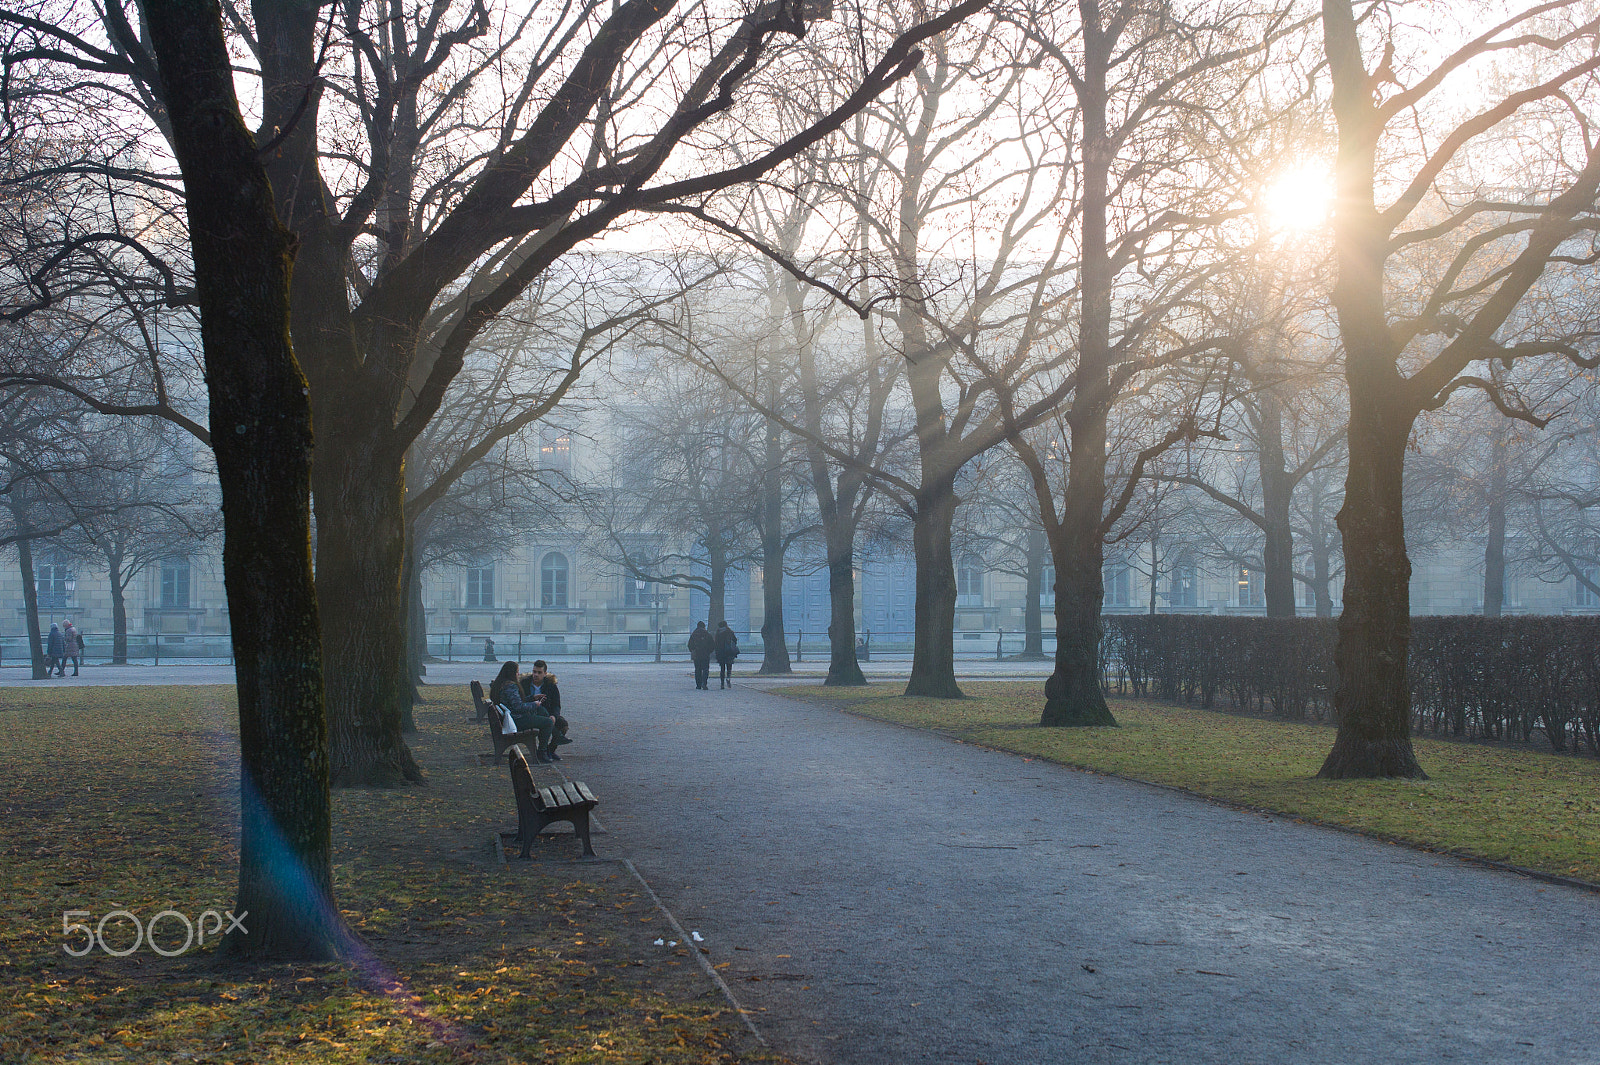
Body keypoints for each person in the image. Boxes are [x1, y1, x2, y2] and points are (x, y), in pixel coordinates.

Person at [488, 660, 555, 762]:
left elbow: (513, 703)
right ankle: (542, 751)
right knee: (548, 722)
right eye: (517, 672)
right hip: (516, 720)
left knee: (542, 712)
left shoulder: (501, 684)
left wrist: (532, 698)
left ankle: (544, 749)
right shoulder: (510, 686)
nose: (518, 674)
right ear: (512, 673)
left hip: (511, 717)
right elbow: (518, 707)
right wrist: (534, 704)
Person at [519, 660, 572, 756]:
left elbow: (556, 705)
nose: (535, 675)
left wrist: (554, 716)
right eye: (534, 671)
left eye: (539, 672)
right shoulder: (524, 683)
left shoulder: (551, 685)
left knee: (563, 725)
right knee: (546, 721)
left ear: (545, 674)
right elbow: (520, 701)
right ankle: (545, 749)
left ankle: (550, 750)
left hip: (547, 713)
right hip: (529, 714)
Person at [687, 621, 714, 690]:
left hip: (697, 654)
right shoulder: (707, 634)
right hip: (705, 654)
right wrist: (709, 651)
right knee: (705, 669)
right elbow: (712, 644)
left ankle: (698, 685)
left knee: (697, 669)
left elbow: (690, 645)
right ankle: (704, 683)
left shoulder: (694, 634)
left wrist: (693, 651)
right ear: (704, 626)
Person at [713, 620, 739, 689]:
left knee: (722, 668)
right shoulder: (730, 631)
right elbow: (735, 640)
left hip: (721, 653)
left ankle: (722, 684)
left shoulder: (718, 633)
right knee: (729, 667)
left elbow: (716, 643)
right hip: (729, 652)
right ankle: (728, 678)